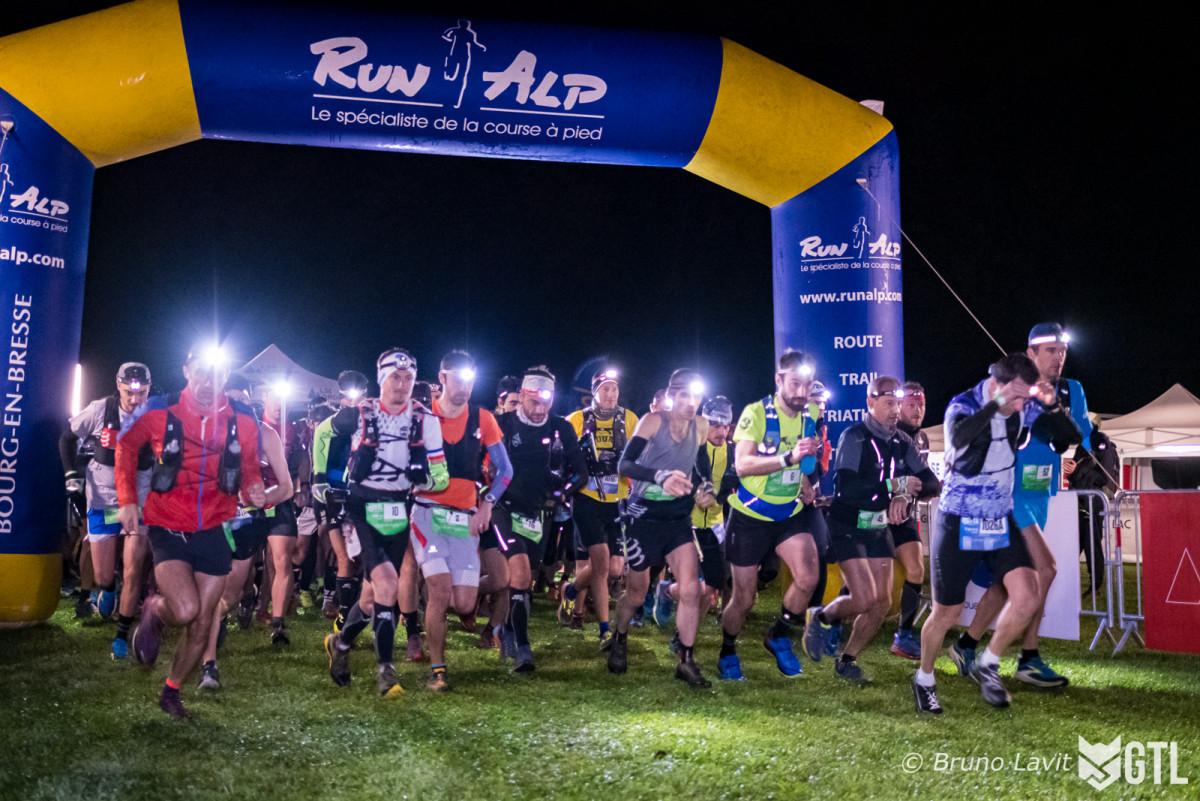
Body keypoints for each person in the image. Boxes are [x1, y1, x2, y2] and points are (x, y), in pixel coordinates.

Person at [912, 353, 1078, 714]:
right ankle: (924, 679)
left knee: (1028, 593)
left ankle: (989, 662)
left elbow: (1070, 438)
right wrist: (995, 405)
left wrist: (1052, 406)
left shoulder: (1024, 405)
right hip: (959, 519)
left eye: (1023, 399)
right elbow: (959, 438)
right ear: (997, 386)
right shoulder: (964, 404)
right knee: (947, 613)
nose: (1021, 406)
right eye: (1015, 398)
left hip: (999, 517)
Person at [115, 344, 265, 718]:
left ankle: (172, 690)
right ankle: (154, 608)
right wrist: (128, 499)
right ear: (187, 371)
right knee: (184, 610)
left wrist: (255, 487)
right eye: (201, 372)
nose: (209, 382)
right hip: (168, 526)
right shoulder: (161, 412)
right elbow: (125, 447)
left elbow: (249, 468)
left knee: (202, 623)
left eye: (217, 375)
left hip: (214, 527)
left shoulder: (242, 421)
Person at [953, 323, 1088, 689]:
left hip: (1040, 492)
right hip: (1009, 494)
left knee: (1008, 581)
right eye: (1050, 351)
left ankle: (966, 645)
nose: (1058, 358)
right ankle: (1028, 658)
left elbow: (1076, 437)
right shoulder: (1014, 388)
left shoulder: (1071, 390)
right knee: (1045, 569)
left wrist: (1060, 417)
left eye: (1062, 351)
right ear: (1031, 353)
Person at [323, 348, 448, 696]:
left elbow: (441, 474)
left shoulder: (426, 420)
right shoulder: (358, 414)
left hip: (399, 509)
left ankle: (340, 644)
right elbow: (326, 446)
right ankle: (386, 672)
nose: (402, 384)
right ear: (381, 379)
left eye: (408, 378)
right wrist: (327, 483)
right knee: (389, 583)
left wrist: (424, 480)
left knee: (371, 596)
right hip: (361, 508)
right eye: (395, 377)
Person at [802, 377, 940, 685]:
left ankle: (847, 661)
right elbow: (847, 490)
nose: (896, 411)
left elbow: (931, 483)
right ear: (870, 403)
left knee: (882, 604)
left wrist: (903, 495)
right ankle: (822, 618)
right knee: (864, 598)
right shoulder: (854, 437)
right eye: (889, 404)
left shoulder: (901, 441)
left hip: (878, 526)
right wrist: (895, 485)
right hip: (847, 523)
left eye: (898, 404)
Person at [717, 351, 823, 681]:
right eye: (795, 384)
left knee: (808, 577)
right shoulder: (756, 413)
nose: (802, 392)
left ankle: (778, 635)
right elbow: (743, 465)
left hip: (788, 513)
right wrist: (788, 457)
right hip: (751, 515)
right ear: (779, 381)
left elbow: (804, 458)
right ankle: (727, 650)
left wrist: (805, 481)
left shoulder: (812, 412)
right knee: (744, 599)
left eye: (807, 385)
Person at [410, 351, 512, 691]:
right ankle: (438, 670)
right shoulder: (423, 416)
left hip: (465, 520)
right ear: (442, 378)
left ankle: (430, 595)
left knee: (465, 602)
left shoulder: (483, 418)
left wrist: (486, 506)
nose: (465, 387)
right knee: (440, 590)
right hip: (427, 513)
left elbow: (505, 470)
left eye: (470, 380)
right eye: (458, 379)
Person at [608, 369, 714, 688]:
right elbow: (624, 465)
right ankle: (619, 637)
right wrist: (660, 476)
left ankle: (686, 660)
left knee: (692, 589)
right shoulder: (653, 422)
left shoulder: (702, 425)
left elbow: (701, 461)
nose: (691, 403)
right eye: (684, 396)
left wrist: (706, 486)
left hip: (677, 517)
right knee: (637, 592)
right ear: (671, 396)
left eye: (696, 396)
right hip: (643, 517)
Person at [198, 375, 293, 691]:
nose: (239, 408)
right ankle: (208, 666)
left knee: (228, 596)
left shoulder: (266, 434)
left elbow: (287, 487)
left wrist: (263, 497)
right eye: (233, 401)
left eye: (244, 402)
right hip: (214, 520)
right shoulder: (208, 429)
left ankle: (233, 608)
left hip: (248, 522)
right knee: (209, 592)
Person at [491, 366, 587, 672]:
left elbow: (581, 474)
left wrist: (561, 494)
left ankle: (508, 628)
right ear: (522, 396)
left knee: (526, 581)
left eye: (546, 403)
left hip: (540, 512)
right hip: (504, 508)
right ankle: (524, 649)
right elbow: (482, 464)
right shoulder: (502, 423)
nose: (540, 410)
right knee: (519, 574)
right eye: (534, 402)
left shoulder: (561, 427)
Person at [59, 362, 154, 659]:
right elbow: (66, 438)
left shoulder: (154, 415)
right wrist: (70, 475)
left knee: (133, 569)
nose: (135, 400)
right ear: (118, 385)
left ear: (149, 390)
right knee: (102, 576)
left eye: (142, 393)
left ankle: (121, 638)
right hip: (102, 500)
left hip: (137, 501)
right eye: (129, 393)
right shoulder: (101, 410)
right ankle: (109, 588)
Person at [560, 368, 639, 646]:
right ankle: (605, 631)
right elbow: (561, 456)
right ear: (594, 392)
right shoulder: (577, 419)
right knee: (601, 564)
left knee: (616, 569)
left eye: (614, 388)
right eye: (605, 388)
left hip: (617, 501)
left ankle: (571, 590)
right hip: (586, 499)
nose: (610, 394)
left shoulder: (629, 419)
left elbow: (640, 454)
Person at [311, 370, 369, 629]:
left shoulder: (371, 422)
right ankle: (342, 616)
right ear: (341, 395)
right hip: (333, 495)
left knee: (360, 559)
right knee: (343, 557)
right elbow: (319, 447)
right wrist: (319, 483)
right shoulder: (330, 423)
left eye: (359, 395)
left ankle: (351, 608)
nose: (353, 400)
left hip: (361, 496)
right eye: (348, 395)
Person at [891, 380, 931, 658]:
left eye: (921, 405)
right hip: (878, 515)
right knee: (868, 581)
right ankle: (829, 622)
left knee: (916, 569)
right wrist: (900, 492)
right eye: (911, 405)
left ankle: (903, 636)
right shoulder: (889, 435)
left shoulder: (922, 439)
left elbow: (924, 480)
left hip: (905, 517)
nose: (917, 410)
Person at [1068, 415, 1119, 593]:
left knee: (1092, 542)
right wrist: (1072, 472)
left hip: (1094, 501)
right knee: (1074, 542)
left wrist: (1077, 471)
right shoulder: (1081, 447)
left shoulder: (1105, 447)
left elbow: (1105, 477)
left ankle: (1095, 583)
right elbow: (1075, 474)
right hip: (1079, 499)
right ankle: (1066, 580)